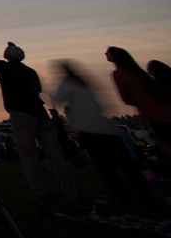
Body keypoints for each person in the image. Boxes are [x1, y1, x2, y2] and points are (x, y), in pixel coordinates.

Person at [0, 36, 79, 207]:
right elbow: (36, 91)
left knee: (28, 155)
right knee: (56, 156)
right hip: (41, 114)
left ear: (9, 57)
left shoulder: (3, 67)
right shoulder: (31, 72)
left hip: (21, 115)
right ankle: (70, 193)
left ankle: (37, 191)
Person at [53, 60, 151, 208]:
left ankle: (125, 199)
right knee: (126, 166)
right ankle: (146, 196)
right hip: (106, 129)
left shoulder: (69, 84)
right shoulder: (86, 85)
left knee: (106, 169)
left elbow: (57, 99)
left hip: (90, 131)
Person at [108, 47, 171, 197]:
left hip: (154, 118)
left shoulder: (119, 73)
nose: (105, 55)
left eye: (107, 53)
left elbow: (127, 99)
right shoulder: (139, 72)